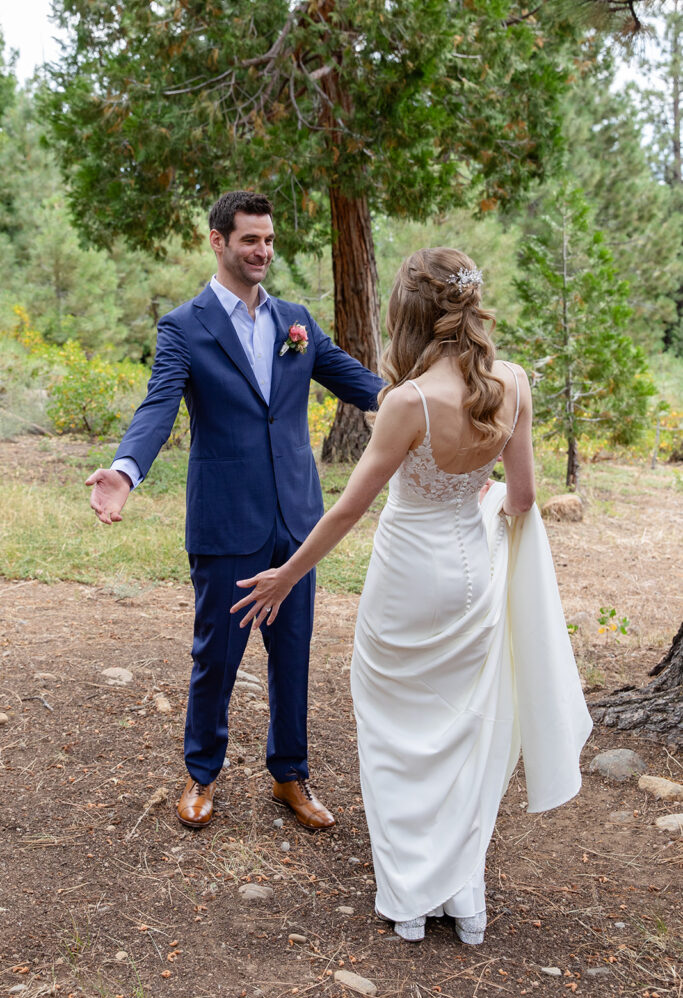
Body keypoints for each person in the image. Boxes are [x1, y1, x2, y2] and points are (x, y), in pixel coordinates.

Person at [231, 247, 592, 944]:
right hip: (470, 580)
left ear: (407, 317)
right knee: (462, 733)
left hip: (405, 580)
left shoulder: (408, 402)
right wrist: (478, 500)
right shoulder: (512, 383)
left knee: (395, 734)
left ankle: (407, 902)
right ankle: (464, 898)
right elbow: (519, 498)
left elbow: (345, 511)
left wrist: (286, 574)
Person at [87, 190, 384, 831]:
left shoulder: (296, 322)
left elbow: (360, 382)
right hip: (227, 520)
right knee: (218, 653)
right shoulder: (184, 326)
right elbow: (158, 406)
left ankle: (289, 776)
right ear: (218, 241)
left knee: (294, 651)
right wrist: (125, 470)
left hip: (298, 518)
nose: (263, 251)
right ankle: (200, 774)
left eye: (270, 240)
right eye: (250, 240)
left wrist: (423, 401)